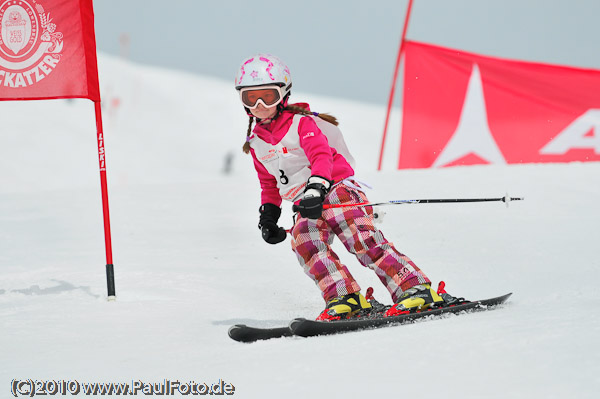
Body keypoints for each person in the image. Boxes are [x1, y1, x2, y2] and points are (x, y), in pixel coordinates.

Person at [235, 54, 446, 321]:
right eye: (251, 98)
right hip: (306, 202)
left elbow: (321, 156)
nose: (261, 105)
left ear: (284, 94)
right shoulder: (255, 143)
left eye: (268, 95)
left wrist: (316, 187)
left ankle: (414, 287)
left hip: (336, 189)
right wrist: (268, 216)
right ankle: (344, 296)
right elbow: (269, 184)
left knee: (362, 240)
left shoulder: (302, 123)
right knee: (305, 241)